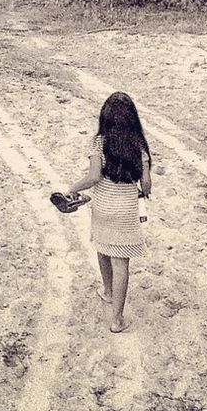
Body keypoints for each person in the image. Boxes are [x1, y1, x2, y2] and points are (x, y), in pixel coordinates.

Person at [63, 91, 152, 333]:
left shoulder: (99, 141)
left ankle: (108, 291)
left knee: (103, 247)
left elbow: (94, 177)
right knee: (121, 262)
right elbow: (146, 184)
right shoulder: (139, 144)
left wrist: (72, 189)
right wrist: (142, 191)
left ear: (105, 117)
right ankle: (117, 320)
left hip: (102, 205)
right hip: (125, 210)